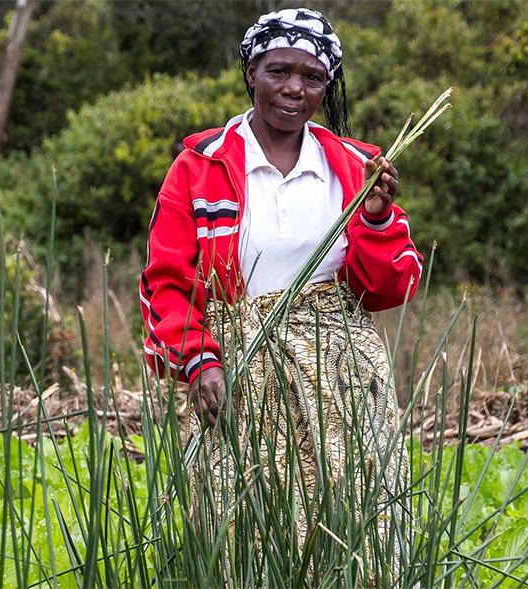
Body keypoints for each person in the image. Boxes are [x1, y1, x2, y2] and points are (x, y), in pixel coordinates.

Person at [139, 6, 421, 570]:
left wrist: (375, 218)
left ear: (327, 85)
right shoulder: (201, 166)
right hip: (239, 372)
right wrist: (199, 361)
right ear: (251, 72)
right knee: (241, 528)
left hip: (340, 371)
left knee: (355, 530)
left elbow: (391, 286)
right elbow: (167, 282)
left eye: (313, 77)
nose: (295, 89)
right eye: (278, 71)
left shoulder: (356, 164)